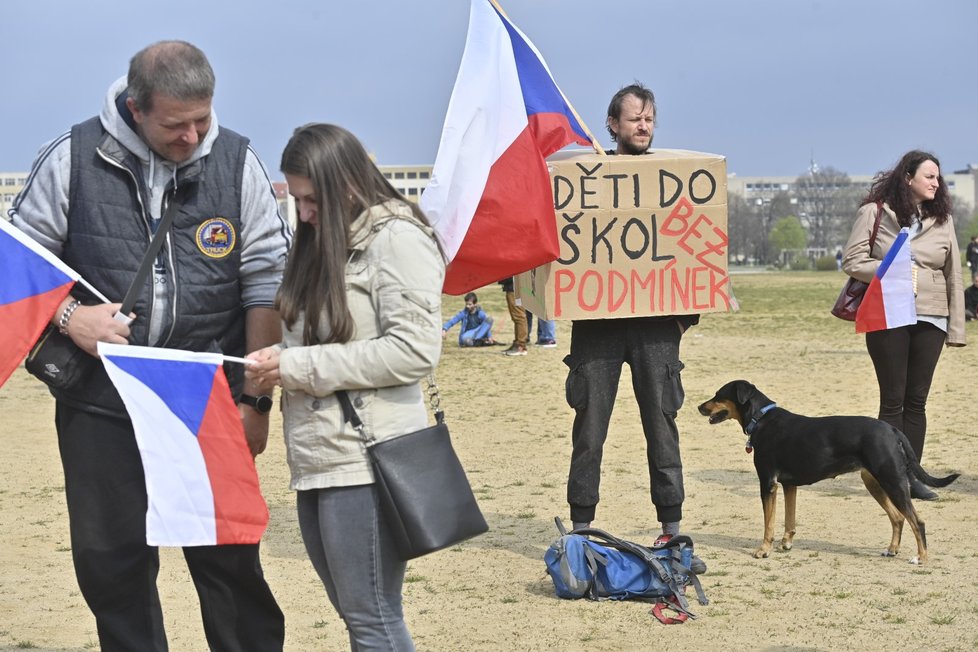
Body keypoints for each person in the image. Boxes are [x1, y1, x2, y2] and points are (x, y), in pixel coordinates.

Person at [9, 41, 288, 651]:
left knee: (230, 563)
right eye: (175, 124)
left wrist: (255, 403)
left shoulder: (238, 161)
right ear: (135, 108)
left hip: (205, 399)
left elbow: (265, 279)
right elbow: (16, 268)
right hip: (100, 401)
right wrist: (71, 317)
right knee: (113, 565)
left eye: (202, 120)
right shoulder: (71, 158)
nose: (192, 137)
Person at [245, 123, 444, 650]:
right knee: (361, 616)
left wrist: (296, 366)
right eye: (297, 198)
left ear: (346, 184)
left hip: (369, 457)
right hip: (318, 457)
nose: (303, 211)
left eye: (312, 198)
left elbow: (415, 350)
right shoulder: (320, 241)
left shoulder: (397, 238)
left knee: (372, 619)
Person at [565, 83, 698, 545]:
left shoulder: (674, 177)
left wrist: (684, 319)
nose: (643, 126)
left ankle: (672, 532)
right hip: (596, 328)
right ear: (613, 124)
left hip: (657, 330)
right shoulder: (585, 178)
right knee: (589, 432)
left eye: (649, 119)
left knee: (662, 430)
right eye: (634, 119)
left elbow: (692, 244)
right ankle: (582, 531)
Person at [842, 149, 965, 500]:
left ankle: (912, 478)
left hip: (932, 317)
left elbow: (953, 274)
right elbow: (852, 261)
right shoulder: (875, 212)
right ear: (907, 177)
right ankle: (889, 476)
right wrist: (888, 272)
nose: (936, 182)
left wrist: (956, 328)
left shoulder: (944, 219)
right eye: (929, 176)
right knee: (892, 400)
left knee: (917, 401)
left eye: (938, 178)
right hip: (886, 314)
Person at [499, 276, 529, 356]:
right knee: (516, 317)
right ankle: (517, 343)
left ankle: (521, 346)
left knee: (519, 316)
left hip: (516, 286)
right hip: (512, 285)